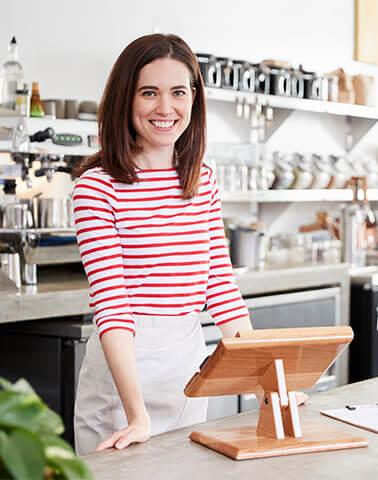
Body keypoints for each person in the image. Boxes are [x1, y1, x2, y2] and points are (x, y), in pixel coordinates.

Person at [72, 33, 253, 456]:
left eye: (178, 92)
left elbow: (221, 289)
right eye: (149, 93)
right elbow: (112, 305)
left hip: (186, 373)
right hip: (122, 383)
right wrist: (137, 415)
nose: (165, 108)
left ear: (194, 99)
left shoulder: (201, 181)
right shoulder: (97, 188)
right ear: (125, 98)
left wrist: (265, 382)